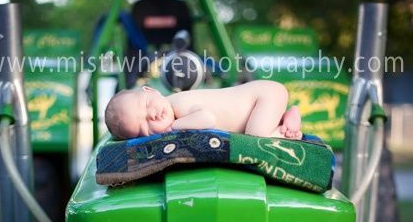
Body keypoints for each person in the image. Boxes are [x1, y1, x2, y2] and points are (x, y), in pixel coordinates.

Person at [105, 80, 302, 141]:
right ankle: (282, 118)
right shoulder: (173, 108)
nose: (152, 115)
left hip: (263, 96)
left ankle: (287, 130)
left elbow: (207, 118)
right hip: (259, 104)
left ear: (152, 90)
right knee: (255, 129)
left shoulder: (179, 105)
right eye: (145, 126)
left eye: (147, 105)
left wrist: (174, 127)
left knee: (256, 136)